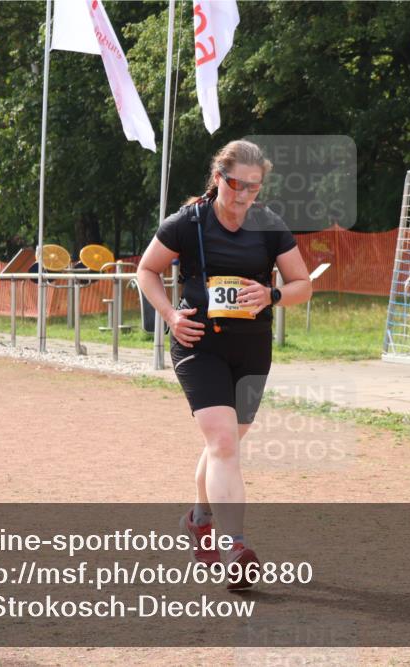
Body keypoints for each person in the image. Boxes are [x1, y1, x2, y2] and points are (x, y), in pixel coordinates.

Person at [137, 140, 312, 590]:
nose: (243, 196)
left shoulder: (269, 226)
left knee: (226, 445)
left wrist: (271, 295)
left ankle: (199, 519)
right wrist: (172, 317)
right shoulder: (187, 222)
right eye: (235, 185)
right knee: (222, 442)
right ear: (218, 178)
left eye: (253, 188)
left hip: (252, 349)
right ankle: (235, 546)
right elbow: (146, 270)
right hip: (199, 344)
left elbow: (302, 285)